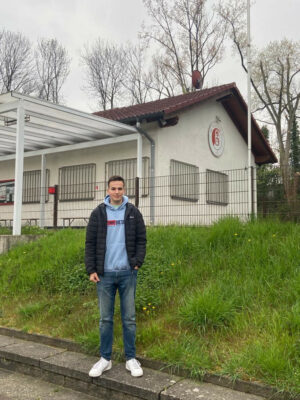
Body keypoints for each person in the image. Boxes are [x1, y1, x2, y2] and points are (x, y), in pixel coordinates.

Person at [85, 175, 146, 378]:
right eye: (113, 188)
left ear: (124, 190)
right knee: (105, 319)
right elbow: (90, 244)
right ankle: (105, 359)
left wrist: (137, 262)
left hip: (128, 273)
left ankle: (131, 359)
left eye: (120, 188)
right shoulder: (98, 213)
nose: (117, 192)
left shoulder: (133, 212)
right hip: (105, 275)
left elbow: (141, 239)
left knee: (129, 318)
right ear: (107, 190)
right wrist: (91, 269)